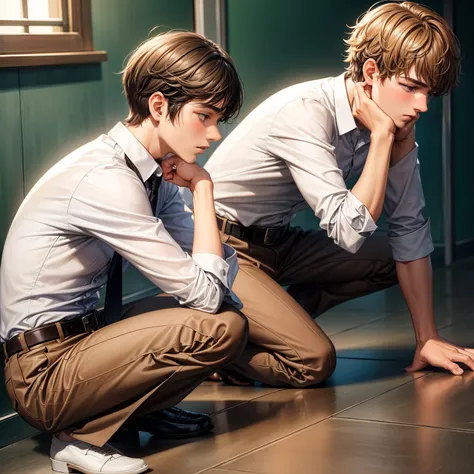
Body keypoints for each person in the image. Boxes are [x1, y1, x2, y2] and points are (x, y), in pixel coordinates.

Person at [0, 31, 247, 474]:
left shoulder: (152, 173)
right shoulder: (106, 179)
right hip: (43, 373)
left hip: (84, 341)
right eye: (204, 116)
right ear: (158, 106)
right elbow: (205, 293)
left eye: (219, 119)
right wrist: (204, 188)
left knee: (225, 313)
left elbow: (211, 273)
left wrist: (195, 194)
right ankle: (76, 438)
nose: (214, 134)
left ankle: (135, 412)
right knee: (219, 326)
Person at [204, 1, 474, 388]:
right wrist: (382, 139)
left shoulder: (394, 122)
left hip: (280, 242)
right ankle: (219, 348)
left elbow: (410, 229)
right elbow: (349, 231)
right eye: (411, 88)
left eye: (428, 92)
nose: (422, 106)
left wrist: (427, 337)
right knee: (312, 361)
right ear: (371, 72)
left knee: (389, 257)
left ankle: (272, 325)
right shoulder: (305, 112)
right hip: (222, 246)